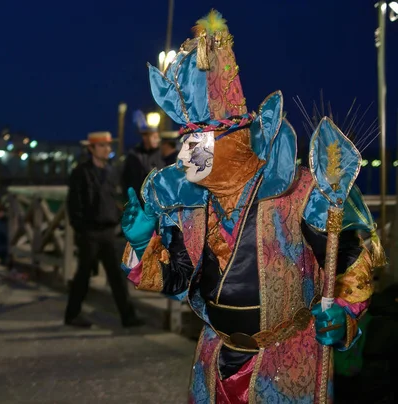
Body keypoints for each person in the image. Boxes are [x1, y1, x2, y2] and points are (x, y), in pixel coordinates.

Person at [120, 11, 382, 403]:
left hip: (287, 363)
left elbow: (350, 262)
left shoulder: (298, 193)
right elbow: (178, 280)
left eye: (202, 139)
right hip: (214, 359)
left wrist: (343, 313)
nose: (189, 153)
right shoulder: (191, 206)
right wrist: (144, 244)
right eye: (187, 140)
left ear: (235, 141)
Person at [65, 131, 143, 328]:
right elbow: (74, 204)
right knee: (83, 275)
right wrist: (81, 229)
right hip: (89, 231)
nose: (107, 149)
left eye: (108, 146)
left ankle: (128, 316)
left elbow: (116, 199)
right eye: (102, 146)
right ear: (91, 149)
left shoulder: (111, 171)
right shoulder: (81, 172)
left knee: (117, 276)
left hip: (108, 231)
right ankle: (72, 315)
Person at [120, 111, 164, 199]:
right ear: (145, 137)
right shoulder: (134, 155)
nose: (157, 139)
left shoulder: (162, 154)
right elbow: (127, 180)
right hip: (139, 201)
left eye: (157, 136)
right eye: (153, 136)